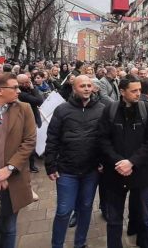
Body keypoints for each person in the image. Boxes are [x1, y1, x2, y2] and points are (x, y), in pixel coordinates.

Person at [44, 75, 106, 248]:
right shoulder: (62, 110)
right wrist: (50, 165)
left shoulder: (101, 109)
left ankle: (80, 243)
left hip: (91, 170)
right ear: (74, 88)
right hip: (67, 170)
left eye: (89, 85)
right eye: (82, 86)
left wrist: (103, 161)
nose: (86, 88)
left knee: (86, 208)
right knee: (64, 211)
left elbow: (104, 139)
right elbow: (52, 138)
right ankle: (57, 244)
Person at [99, 75, 148, 248]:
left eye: (139, 90)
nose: (138, 93)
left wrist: (132, 162)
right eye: (134, 91)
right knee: (114, 220)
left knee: (145, 218)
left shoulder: (147, 110)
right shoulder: (109, 110)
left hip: (140, 173)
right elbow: (103, 140)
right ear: (123, 92)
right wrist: (119, 162)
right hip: (115, 173)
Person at [0, 73, 37, 248]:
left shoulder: (24, 108)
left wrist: (8, 169)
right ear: (0, 91)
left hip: (14, 178)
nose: (19, 91)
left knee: (9, 226)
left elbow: (29, 141)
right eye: (15, 87)